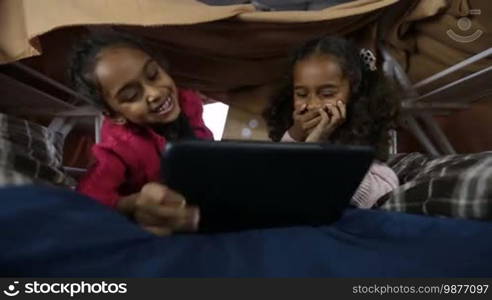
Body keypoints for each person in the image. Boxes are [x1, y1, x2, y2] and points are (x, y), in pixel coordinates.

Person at [69, 33, 213, 235]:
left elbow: (200, 139)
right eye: (131, 96)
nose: (154, 93)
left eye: (153, 74)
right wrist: (132, 204)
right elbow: (87, 200)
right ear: (115, 115)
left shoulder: (188, 101)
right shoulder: (118, 148)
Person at [263, 36, 399, 208]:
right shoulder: (292, 135)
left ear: (356, 95)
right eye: (302, 94)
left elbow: (380, 195)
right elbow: (274, 178)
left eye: (327, 94)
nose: (312, 105)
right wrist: (295, 135)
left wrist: (317, 150)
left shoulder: (374, 166)